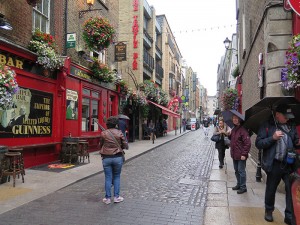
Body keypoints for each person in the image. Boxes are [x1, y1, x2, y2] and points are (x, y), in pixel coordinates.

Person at [255, 104, 300, 224]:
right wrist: (273, 138)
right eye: (285, 116)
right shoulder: (267, 125)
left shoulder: (291, 125)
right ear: (277, 115)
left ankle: (289, 215)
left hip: (289, 164)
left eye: (288, 117)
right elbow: (258, 143)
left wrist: (298, 142)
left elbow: (296, 142)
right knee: (271, 189)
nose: (287, 119)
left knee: (290, 190)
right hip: (274, 163)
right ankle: (269, 210)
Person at [99, 116, 128, 205]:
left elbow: (101, 144)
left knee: (108, 178)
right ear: (116, 124)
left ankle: (107, 198)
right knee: (116, 177)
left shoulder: (103, 133)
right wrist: (121, 146)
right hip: (117, 157)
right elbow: (125, 145)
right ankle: (116, 197)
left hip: (106, 158)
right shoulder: (119, 133)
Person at [229, 114, 251, 194]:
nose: (234, 119)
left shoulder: (243, 130)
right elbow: (233, 140)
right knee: (236, 170)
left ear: (239, 120)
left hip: (241, 155)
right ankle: (238, 184)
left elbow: (247, 143)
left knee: (241, 171)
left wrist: (244, 154)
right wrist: (229, 135)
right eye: (233, 118)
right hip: (234, 154)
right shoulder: (234, 129)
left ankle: (243, 187)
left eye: (236, 118)